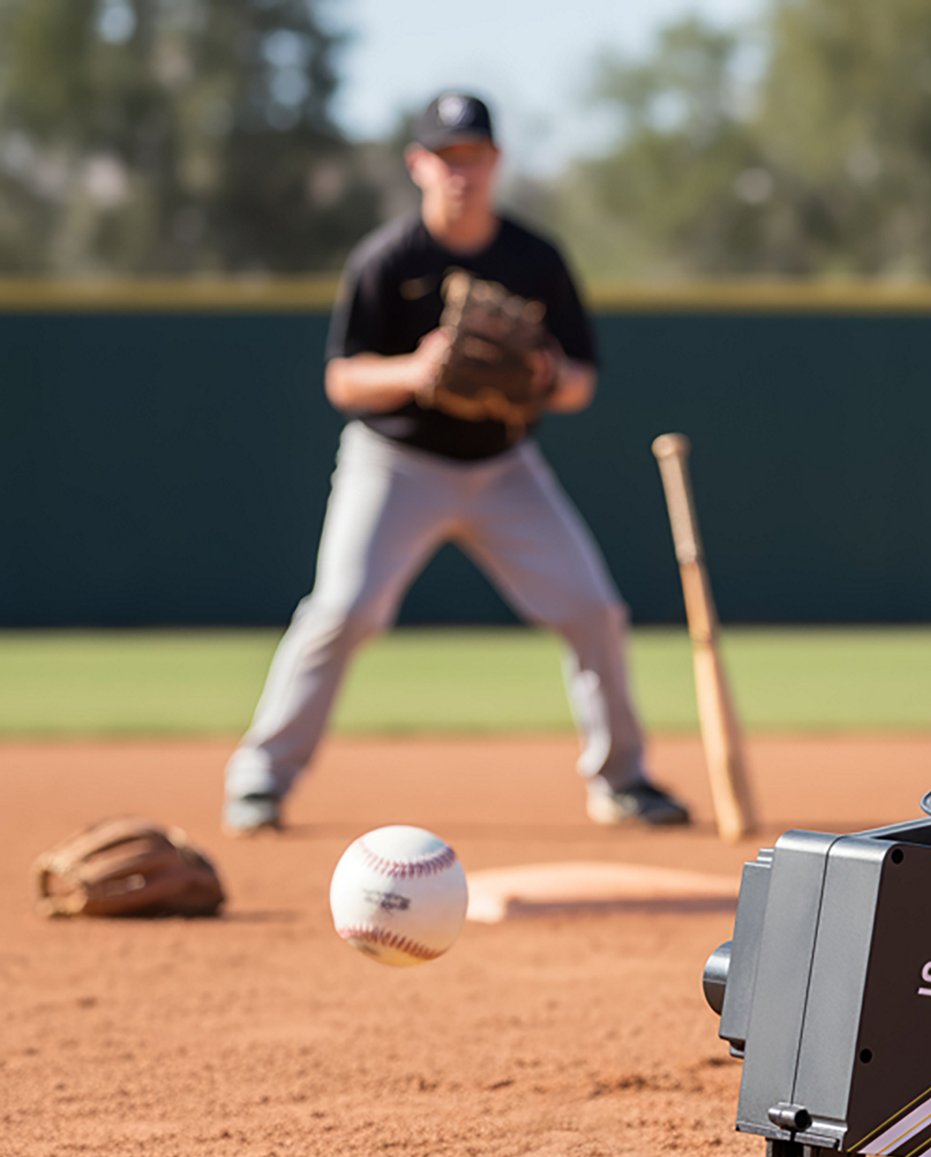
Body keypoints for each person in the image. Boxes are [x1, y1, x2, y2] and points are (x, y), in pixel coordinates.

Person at [223, 91, 689, 835]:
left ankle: (623, 781)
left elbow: (580, 382)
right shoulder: (387, 258)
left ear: (495, 161)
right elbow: (343, 380)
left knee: (593, 610)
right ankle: (260, 779)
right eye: (445, 157)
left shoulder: (534, 258)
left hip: (504, 467)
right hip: (395, 463)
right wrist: (418, 369)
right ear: (418, 165)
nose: (459, 171)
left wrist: (540, 375)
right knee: (343, 611)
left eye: (472, 155)